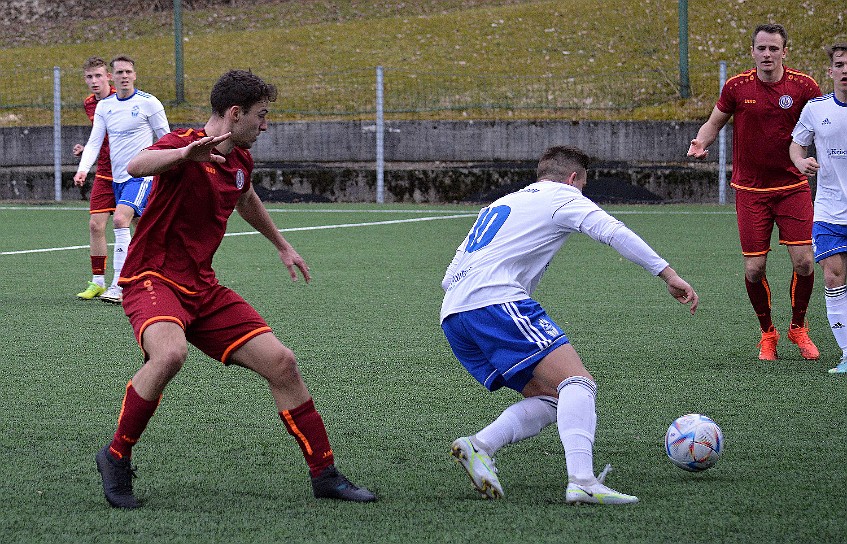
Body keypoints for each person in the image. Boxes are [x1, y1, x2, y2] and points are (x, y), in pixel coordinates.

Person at [93, 69, 377, 509]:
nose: (265, 125)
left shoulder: (240, 160)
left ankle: (325, 474)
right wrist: (185, 155)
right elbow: (137, 165)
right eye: (261, 116)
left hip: (202, 288)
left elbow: (245, 197)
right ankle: (115, 456)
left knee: (282, 363)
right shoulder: (182, 143)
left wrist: (281, 245)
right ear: (235, 113)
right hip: (152, 278)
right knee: (169, 354)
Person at [440, 145, 699, 505]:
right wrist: (668, 274)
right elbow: (613, 231)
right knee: (578, 383)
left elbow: (449, 274)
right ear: (574, 178)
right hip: (496, 303)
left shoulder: (500, 204)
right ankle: (583, 481)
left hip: (454, 314)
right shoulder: (562, 195)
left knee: (552, 397)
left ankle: (479, 445)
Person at [688, 23, 822, 362]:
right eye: (761, 48)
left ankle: (798, 327)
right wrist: (701, 141)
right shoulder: (736, 86)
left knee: (805, 263)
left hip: (793, 187)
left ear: (784, 52)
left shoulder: (804, 86)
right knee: (753, 269)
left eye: (773, 49)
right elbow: (715, 121)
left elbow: (825, 126)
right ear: (752, 52)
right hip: (751, 191)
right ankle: (768, 334)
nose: (767, 54)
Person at [74, 55, 170, 304]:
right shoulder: (105, 107)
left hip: (141, 176)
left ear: (134, 75)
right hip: (114, 178)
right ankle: (152, 274)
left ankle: (119, 284)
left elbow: (167, 138)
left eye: (128, 72)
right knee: (141, 227)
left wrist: (168, 166)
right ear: (113, 76)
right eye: (120, 72)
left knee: (119, 219)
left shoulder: (149, 103)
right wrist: (83, 168)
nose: (124, 76)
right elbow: (95, 140)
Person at [789, 41, 847, 373]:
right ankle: (846, 353)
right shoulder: (815, 108)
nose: (845, 70)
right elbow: (796, 147)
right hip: (828, 211)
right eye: (839, 65)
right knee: (833, 276)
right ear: (831, 71)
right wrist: (801, 163)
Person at [72, 57, 117, 300]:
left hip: (129, 172)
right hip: (103, 171)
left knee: (137, 228)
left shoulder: (122, 99)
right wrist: (87, 150)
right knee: (95, 225)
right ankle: (98, 281)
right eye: (89, 77)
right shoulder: (90, 104)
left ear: (108, 76)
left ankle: (129, 279)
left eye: (98, 76)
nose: (94, 81)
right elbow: (100, 134)